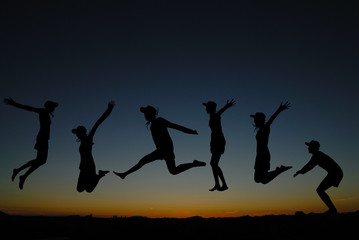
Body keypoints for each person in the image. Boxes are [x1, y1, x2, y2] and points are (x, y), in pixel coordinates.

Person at [114, 106, 206, 179]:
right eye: (144, 114)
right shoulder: (152, 125)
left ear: (151, 114)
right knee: (172, 170)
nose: (144, 115)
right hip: (161, 150)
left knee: (145, 162)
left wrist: (191, 131)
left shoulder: (160, 121)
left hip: (166, 149)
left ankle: (124, 174)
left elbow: (176, 126)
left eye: (146, 113)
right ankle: (194, 164)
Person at [4, 97, 59, 189]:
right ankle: (19, 172)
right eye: (52, 106)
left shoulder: (47, 114)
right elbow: (29, 108)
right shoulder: (42, 111)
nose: (54, 108)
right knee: (41, 160)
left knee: (41, 160)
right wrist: (15, 104)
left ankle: (21, 174)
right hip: (42, 139)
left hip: (44, 139)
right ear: (49, 107)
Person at [72, 101, 115, 193]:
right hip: (83, 167)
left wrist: (109, 109)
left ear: (82, 133)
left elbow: (98, 123)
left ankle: (100, 175)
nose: (76, 135)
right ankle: (99, 175)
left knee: (88, 190)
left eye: (77, 133)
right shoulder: (82, 142)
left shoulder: (89, 139)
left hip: (89, 166)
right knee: (80, 189)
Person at [294, 140, 343, 214]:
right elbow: (309, 165)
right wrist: (301, 171)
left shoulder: (317, 155)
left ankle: (332, 210)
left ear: (314, 147)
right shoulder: (317, 155)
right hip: (335, 173)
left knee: (320, 190)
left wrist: (300, 171)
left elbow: (309, 166)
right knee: (320, 190)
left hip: (335, 173)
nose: (308, 148)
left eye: (309, 147)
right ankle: (332, 209)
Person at [251, 101, 292, 184]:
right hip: (259, 155)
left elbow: (271, 119)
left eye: (256, 119)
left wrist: (279, 110)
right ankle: (279, 170)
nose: (254, 120)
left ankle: (279, 170)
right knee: (259, 179)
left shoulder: (265, 128)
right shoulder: (260, 130)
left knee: (260, 179)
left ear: (260, 120)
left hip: (263, 155)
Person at [203, 99, 236, 191]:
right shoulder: (212, 116)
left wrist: (226, 106)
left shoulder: (214, 115)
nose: (205, 109)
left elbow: (219, 113)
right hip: (215, 141)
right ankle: (218, 184)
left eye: (207, 107)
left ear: (210, 108)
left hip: (218, 141)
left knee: (213, 163)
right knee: (213, 164)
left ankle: (222, 184)